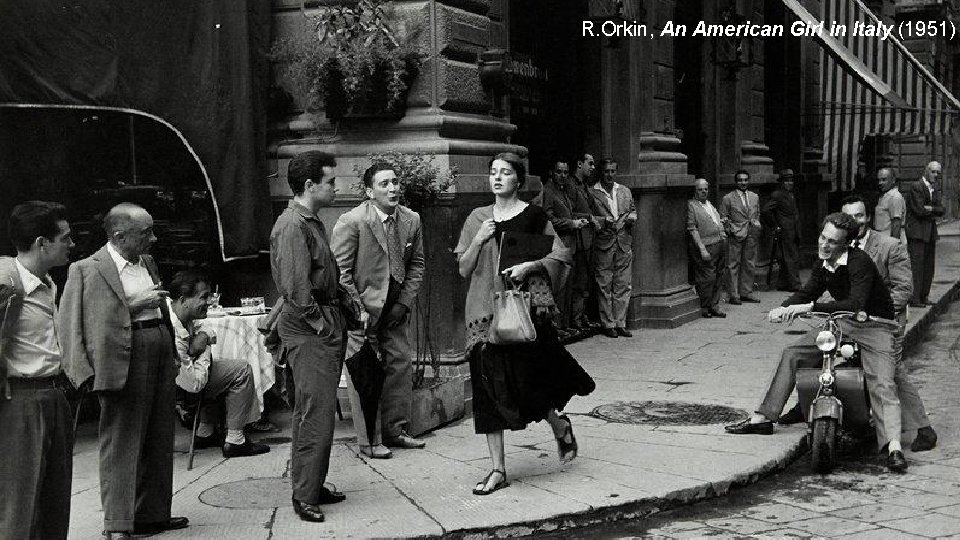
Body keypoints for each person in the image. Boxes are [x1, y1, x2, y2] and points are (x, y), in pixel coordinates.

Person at [455, 152, 595, 495]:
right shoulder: (477, 218)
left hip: (524, 311)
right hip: (484, 314)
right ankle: (498, 469)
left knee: (528, 384)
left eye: (505, 173)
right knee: (488, 391)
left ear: (519, 180)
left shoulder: (533, 216)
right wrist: (478, 239)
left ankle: (558, 424)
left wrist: (530, 266)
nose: (497, 178)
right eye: (493, 172)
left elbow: (561, 254)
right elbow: (463, 267)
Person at [725, 212, 908, 473]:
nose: (824, 244)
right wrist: (783, 308)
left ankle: (893, 447)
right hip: (842, 323)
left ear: (846, 244)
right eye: (823, 237)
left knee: (883, 382)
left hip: (875, 325)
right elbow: (807, 291)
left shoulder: (860, 262)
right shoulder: (823, 263)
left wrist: (806, 307)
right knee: (793, 353)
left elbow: (854, 302)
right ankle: (764, 417)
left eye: (832, 242)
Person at [60, 203, 188, 538]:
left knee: (159, 436)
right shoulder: (86, 269)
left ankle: (152, 514)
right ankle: (118, 524)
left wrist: (172, 349)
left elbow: (161, 308)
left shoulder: (147, 262)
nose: (154, 238)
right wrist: (81, 374)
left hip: (157, 348)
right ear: (119, 236)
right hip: (122, 358)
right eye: (145, 233)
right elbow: (72, 325)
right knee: (121, 441)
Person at [777, 196, 938, 452]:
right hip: (848, 318)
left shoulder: (888, 245)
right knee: (816, 349)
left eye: (860, 215)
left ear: (868, 218)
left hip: (883, 319)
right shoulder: (834, 248)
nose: (856, 221)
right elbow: (832, 288)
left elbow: (904, 289)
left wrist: (869, 313)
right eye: (850, 216)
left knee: (890, 372)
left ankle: (922, 428)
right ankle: (806, 405)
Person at [271, 151, 357, 522]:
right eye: (330, 182)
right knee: (314, 413)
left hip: (322, 320)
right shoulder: (292, 225)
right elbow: (295, 287)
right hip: (310, 326)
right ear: (310, 185)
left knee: (318, 411)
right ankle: (304, 494)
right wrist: (321, 325)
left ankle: (312, 483)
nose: (336, 187)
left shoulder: (310, 220)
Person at [331, 162, 426, 459]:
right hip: (363, 312)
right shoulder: (353, 221)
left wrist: (402, 303)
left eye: (396, 182)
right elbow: (340, 272)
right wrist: (358, 310)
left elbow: (417, 265)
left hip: (395, 309)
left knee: (399, 364)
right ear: (370, 191)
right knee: (366, 375)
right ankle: (370, 441)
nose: (393, 188)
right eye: (384, 184)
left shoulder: (411, 220)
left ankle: (396, 430)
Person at [0, 201, 75, 540]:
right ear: (42, 243)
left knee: (54, 503)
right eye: (65, 238)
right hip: (20, 401)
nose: (72, 245)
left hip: (54, 395)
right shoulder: (7, 283)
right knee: (20, 505)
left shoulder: (47, 283)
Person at [167, 270, 269, 458]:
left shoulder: (178, 313)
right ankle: (235, 440)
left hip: (183, 381)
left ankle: (206, 431)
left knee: (214, 366)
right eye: (204, 297)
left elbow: (207, 329)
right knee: (242, 370)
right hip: (179, 393)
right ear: (183, 300)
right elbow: (194, 385)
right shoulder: (174, 332)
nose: (209, 302)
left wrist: (203, 337)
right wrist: (204, 347)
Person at [533, 159, 596, 331]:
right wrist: (571, 224)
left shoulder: (564, 191)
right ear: (551, 173)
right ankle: (557, 327)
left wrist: (582, 218)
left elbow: (568, 212)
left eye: (566, 172)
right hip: (558, 245)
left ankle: (565, 325)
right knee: (559, 287)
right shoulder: (547, 191)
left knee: (569, 286)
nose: (562, 176)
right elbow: (548, 218)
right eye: (559, 172)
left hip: (571, 244)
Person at [588, 158, 637, 338]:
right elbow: (589, 216)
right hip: (604, 242)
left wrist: (632, 216)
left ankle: (620, 322)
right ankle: (608, 324)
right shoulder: (592, 192)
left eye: (612, 171)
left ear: (616, 172)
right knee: (604, 284)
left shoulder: (624, 191)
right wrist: (603, 221)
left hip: (624, 241)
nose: (609, 175)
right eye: (606, 171)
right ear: (601, 172)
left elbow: (632, 209)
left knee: (623, 284)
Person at [904, 160, 945, 306]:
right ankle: (915, 298)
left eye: (938, 173)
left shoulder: (935, 187)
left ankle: (924, 296)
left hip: (930, 233)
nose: (936, 175)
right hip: (917, 233)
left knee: (929, 266)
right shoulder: (917, 186)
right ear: (926, 171)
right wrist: (933, 209)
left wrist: (931, 209)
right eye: (933, 172)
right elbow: (919, 210)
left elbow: (942, 209)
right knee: (917, 266)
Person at [686, 179, 727, 318]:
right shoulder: (692, 205)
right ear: (695, 191)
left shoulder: (710, 205)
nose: (704, 192)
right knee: (707, 277)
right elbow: (692, 228)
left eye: (705, 189)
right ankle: (704, 306)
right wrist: (702, 248)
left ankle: (714, 305)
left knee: (719, 275)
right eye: (700, 189)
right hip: (706, 245)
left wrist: (722, 232)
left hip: (719, 243)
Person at [720, 169, 762, 303]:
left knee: (749, 263)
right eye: (740, 180)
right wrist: (729, 229)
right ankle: (734, 295)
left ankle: (746, 292)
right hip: (735, 233)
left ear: (748, 181)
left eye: (745, 180)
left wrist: (756, 226)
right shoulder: (728, 198)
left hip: (751, 233)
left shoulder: (754, 197)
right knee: (733, 264)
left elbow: (757, 213)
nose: (743, 182)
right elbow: (723, 217)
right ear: (736, 182)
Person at [570, 153, 600, 328]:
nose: (593, 167)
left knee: (586, 279)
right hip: (578, 239)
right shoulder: (571, 185)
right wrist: (589, 217)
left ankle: (582, 315)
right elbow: (570, 212)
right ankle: (576, 317)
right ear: (580, 164)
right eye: (590, 163)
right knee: (579, 280)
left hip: (589, 238)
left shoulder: (585, 186)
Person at [761, 169, 803, 292]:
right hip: (785, 231)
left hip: (793, 229)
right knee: (791, 257)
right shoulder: (777, 195)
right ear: (781, 183)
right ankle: (795, 285)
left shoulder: (791, 194)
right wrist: (775, 225)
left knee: (787, 257)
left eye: (791, 181)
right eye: (786, 181)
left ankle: (783, 283)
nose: (790, 183)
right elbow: (765, 211)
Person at [875, 167, 905, 240]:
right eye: (879, 180)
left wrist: (894, 244)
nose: (880, 183)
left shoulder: (895, 197)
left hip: (889, 238)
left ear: (893, 180)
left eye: (884, 180)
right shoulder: (884, 195)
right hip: (881, 237)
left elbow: (896, 223)